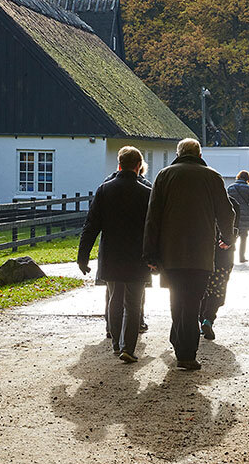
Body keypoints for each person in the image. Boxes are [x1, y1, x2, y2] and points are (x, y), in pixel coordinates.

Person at [143, 138, 235, 371]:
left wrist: (150, 253)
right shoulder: (212, 177)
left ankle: (178, 341)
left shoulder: (165, 175)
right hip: (201, 253)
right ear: (199, 154)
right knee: (193, 301)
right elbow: (226, 212)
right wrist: (228, 238)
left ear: (178, 153)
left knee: (176, 298)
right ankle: (187, 353)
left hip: (170, 252)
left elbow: (153, 217)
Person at [78, 146, 151, 364]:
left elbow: (91, 225)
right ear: (139, 166)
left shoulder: (104, 190)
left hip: (111, 255)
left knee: (114, 298)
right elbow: (154, 228)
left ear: (119, 164)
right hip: (138, 257)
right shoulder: (147, 193)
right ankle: (128, 347)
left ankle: (116, 344)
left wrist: (83, 256)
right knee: (134, 302)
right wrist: (156, 257)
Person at [101, 160, 152, 337]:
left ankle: (111, 328)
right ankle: (137, 323)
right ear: (139, 167)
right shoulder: (146, 187)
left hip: (112, 250)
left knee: (113, 292)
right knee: (136, 294)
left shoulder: (106, 185)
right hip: (137, 250)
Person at [199, 198, 240, 340]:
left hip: (203, 255)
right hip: (223, 257)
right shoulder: (233, 204)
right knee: (217, 291)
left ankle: (200, 322)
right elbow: (235, 229)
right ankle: (208, 320)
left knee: (202, 289)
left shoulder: (203, 203)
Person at [227, 171, 249, 263]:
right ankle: (241, 257)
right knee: (244, 238)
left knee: (232, 236)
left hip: (233, 215)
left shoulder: (230, 188)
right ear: (247, 178)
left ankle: (230, 256)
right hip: (245, 215)